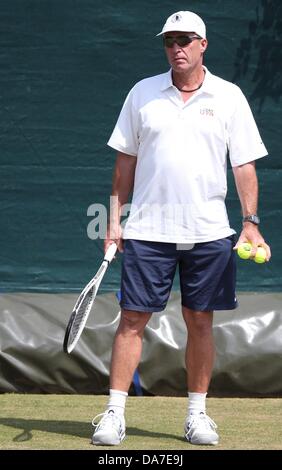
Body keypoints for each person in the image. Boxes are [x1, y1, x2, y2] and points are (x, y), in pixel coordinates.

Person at [91, 10, 271, 446]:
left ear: (203, 44)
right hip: (147, 230)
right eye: (170, 41)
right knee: (132, 318)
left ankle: (197, 416)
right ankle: (113, 414)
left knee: (201, 321)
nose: (177, 48)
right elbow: (124, 164)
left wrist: (250, 224)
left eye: (186, 40)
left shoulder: (229, 97)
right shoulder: (141, 93)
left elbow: (243, 165)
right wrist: (114, 220)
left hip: (209, 232)